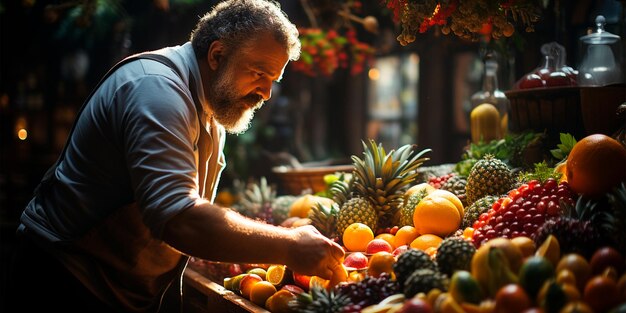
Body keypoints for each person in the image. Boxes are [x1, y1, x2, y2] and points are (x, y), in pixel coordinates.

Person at [5, 0, 345, 312]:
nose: (267, 93)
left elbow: (189, 211)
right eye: (259, 74)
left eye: (274, 80)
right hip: (63, 284)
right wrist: (288, 246)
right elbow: (179, 219)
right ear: (216, 56)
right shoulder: (157, 92)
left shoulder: (210, 110)